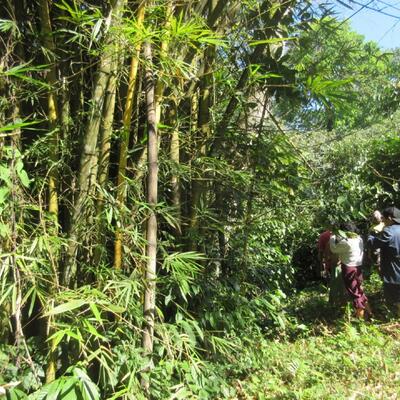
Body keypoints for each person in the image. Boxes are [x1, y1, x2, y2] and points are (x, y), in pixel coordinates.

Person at [330, 222, 370, 318]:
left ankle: (360, 319)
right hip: (358, 267)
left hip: (349, 269)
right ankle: (370, 313)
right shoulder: (359, 239)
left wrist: (332, 237)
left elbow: (334, 249)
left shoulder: (346, 242)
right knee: (359, 290)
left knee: (355, 294)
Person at [368, 206, 400, 316]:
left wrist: (371, 233)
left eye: (384, 219)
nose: (383, 221)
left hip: (394, 273)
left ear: (389, 218)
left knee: (395, 300)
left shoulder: (389, 232)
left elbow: (372, 244)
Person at [318, 228, 347, 306]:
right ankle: (342, 302)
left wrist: (322, 266)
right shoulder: (343, 234)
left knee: (334, 283)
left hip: (332, 264)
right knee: (342, 284)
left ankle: (335, 302)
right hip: (345, 263)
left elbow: (321, 253)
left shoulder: (323, 236)